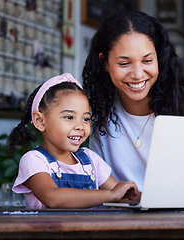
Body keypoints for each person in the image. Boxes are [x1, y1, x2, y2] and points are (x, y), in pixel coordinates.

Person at [82, 12, 184, 191]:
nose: (138, 74)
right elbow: (101, 188)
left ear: (159, 59)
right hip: (123, 218)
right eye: (124, 64)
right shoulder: (99, 115)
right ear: (105, 63)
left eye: (147, 61)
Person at [7, 73, 138, 208]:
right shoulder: (34, 160)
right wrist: (110, 196)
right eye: (69, 117)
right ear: (40, 121)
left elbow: (122, 195)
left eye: (85, 119)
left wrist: (153, 198)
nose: (80, 126)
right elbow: (52, 198)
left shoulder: (90, 159)